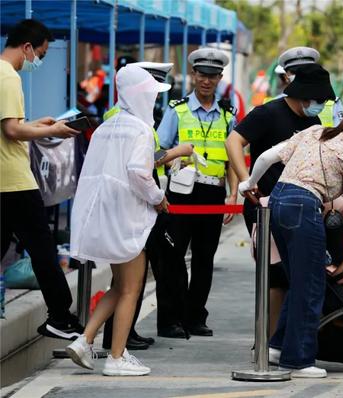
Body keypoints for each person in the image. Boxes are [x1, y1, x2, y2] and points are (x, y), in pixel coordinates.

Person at [239, 96, 343, 378]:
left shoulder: (315, 131)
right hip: (304, 205)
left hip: (278, 200)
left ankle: (277, 346)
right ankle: (297, 361)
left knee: (300, 282)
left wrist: (248, 184)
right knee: (311, 286)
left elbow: (265, 157)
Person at [66, 64, 170, 376]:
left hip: (104, 217)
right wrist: (158, 198)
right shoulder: (140, 130)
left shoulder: (106, 127)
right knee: (131, 288)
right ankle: (116, 357)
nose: (153, 100)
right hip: (127, 220)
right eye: (151, 94)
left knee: (118, 285)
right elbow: (139, 173)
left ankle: (84, 340)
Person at [225, 63, 336, 338]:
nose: (320, 105)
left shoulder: (313, 122)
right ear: (303, 93)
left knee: (293, 276)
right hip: (264, 203)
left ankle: (284, 338)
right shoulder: (269, 112)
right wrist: (244, 181)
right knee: (274, 277)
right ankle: (269, 341)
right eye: (318, 100)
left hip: (299, 206)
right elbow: (233, 142)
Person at [101, 61, 195, 350]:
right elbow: (142, 163)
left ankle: (123, 333)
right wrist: (176, 152)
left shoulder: (135, 116)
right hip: (138, 203)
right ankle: (118, 340)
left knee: (139, 276)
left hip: (142, 201)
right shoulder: (124, 116)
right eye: (152, 88)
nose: (155, 95)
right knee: (133, 278)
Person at [0, 19, 83, 340]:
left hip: (5, 179)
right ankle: (60, 316)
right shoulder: (8, 77)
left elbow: (12, 126)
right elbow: (11, 130)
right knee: (43, 249)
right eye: (42, 54)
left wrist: (36, 123)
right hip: (15, 181)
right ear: (26, 48)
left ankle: (60, 316)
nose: (40, 61)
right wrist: (54, 130)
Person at [154, 48, 237, 338]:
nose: (207, 81)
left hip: (213, 194)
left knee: (205, 258)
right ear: (193, 75)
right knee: (172, 257)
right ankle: (169, 320)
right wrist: (179, 154)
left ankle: (195, 317)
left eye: (213, 76)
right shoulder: (177, 111)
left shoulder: (227, 115)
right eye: (202, 74)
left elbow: (232, 159)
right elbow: (158, 152)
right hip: (181, 192)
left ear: (220, 78)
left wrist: (233, 194)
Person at [277, 46, 343, 126]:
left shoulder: (333, 103)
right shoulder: (272, 106)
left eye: (307, 70)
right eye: (296, 72)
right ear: (286, 76)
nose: (301, 74)